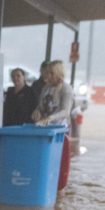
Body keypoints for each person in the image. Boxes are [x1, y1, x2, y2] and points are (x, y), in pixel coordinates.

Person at [33, 60, 76, 190]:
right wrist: (37, 111)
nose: (48, 76)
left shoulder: (66, 89)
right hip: (45, 131)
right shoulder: (46, 88)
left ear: (58, 74)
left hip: (59, 133)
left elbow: (65, 111)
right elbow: (42, 106)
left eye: (51, 73)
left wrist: (50, 118)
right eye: (47, 73)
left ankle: (59, 199)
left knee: (58, 170)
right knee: (44, 166)